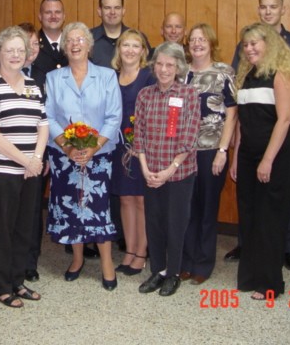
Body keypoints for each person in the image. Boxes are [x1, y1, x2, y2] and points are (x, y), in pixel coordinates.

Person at [224, 0, 290, 271]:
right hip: (253, 130)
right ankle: (247, 243)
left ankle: (287, 248)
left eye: (273, 7)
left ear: (283, 9)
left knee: (284, 193)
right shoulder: (246, 45)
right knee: (250, 192)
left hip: (283, 128)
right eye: (263, 7)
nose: (268, 12)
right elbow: (238, 88)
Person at [229, 22, 290, 300]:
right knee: (249, 218)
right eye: (246, 45)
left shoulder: (281, 74)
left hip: (275, 157)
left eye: (254, 44)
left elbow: (285, 120)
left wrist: (267, 160)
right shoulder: (246, 75)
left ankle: (270, 284)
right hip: (248, 155)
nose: (249, 49)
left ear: (269, 44)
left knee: (269, 220)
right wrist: (237, 157)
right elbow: (241, 121)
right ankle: (250, 279)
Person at [45, 22, 122, 291]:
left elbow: (114, 116)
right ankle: (77, 259)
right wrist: (67, 147)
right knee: (71, 208)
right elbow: (49, 117)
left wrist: (93, 147)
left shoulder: (106, 76)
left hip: (99, 155)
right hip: (63, 155)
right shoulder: (54, 78)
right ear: (64, 46)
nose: (75, 44)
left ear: (89, 45)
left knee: (97, 209)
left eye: (80, 39)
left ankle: (107, 263)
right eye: (70, 40)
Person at [0, 25, 49, 308]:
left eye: (21, 50)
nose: (17, 55)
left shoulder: (32, 85)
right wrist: (26, 161)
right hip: (1, 171)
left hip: (30, 170)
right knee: (3, 229)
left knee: (24, 229)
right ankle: (2, 287)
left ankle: (18, 281)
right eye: (10, 50)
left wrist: (37, 158)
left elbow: (43, 124)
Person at [134, 42, 201, 297]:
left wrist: (168, 171)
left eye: (170, 65)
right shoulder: (145, 95)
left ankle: (173, 273)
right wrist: (146, 168)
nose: (163, 69)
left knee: (175, 224)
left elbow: (189, 137)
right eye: (159, 64)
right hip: (150, 173)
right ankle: (158, 270)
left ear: (178, 67)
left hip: (179, 174)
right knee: (154, 224)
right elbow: (138, 135)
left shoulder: (189, 94)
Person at [180, 24, 237, 285]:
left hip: (211, 150)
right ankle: (186, 261)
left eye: (202, 39)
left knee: (206, 208)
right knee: (186, 208)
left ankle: (203, 263)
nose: (197, 43)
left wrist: (223, 151)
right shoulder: (181, 73)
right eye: (193, 40)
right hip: (183, 153)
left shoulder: (224, 72)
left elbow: (232, 114)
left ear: (211, 43)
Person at [110, 30, 155, 275]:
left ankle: (141, 252)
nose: (129, 50)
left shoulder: (148, 76)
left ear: (142, 51)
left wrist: (139, 145)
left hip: (142, 149)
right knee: (125, 199)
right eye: (125, 45)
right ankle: (129, 250)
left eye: (135, 46)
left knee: (141, 200)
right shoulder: (112, 77)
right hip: (118, 147)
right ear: (119, 50)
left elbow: (152, 113)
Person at [17, 22, 47, 282]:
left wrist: (42, 156)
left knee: (33, 210)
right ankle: (10, 260)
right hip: (7, 157)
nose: (30, 49)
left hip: (37, 157)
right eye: (25, 44)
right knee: (9, 211)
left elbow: (47, 119)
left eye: (35, 44)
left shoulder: (44, 74)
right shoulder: (0, 74)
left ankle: (29, 261)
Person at [91, 0, 153, 67]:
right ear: (100, 11)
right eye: (107, 8)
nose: (112, 12)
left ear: (123, 11)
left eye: (117, 8)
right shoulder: (88, 38)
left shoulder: (139, 37)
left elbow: (148, 68)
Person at [33, 0, 69, 75]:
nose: (53, 16)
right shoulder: (32, 44)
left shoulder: (72, 43)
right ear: (40, 17)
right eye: (48, 12)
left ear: (64, 16)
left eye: (58, 12)